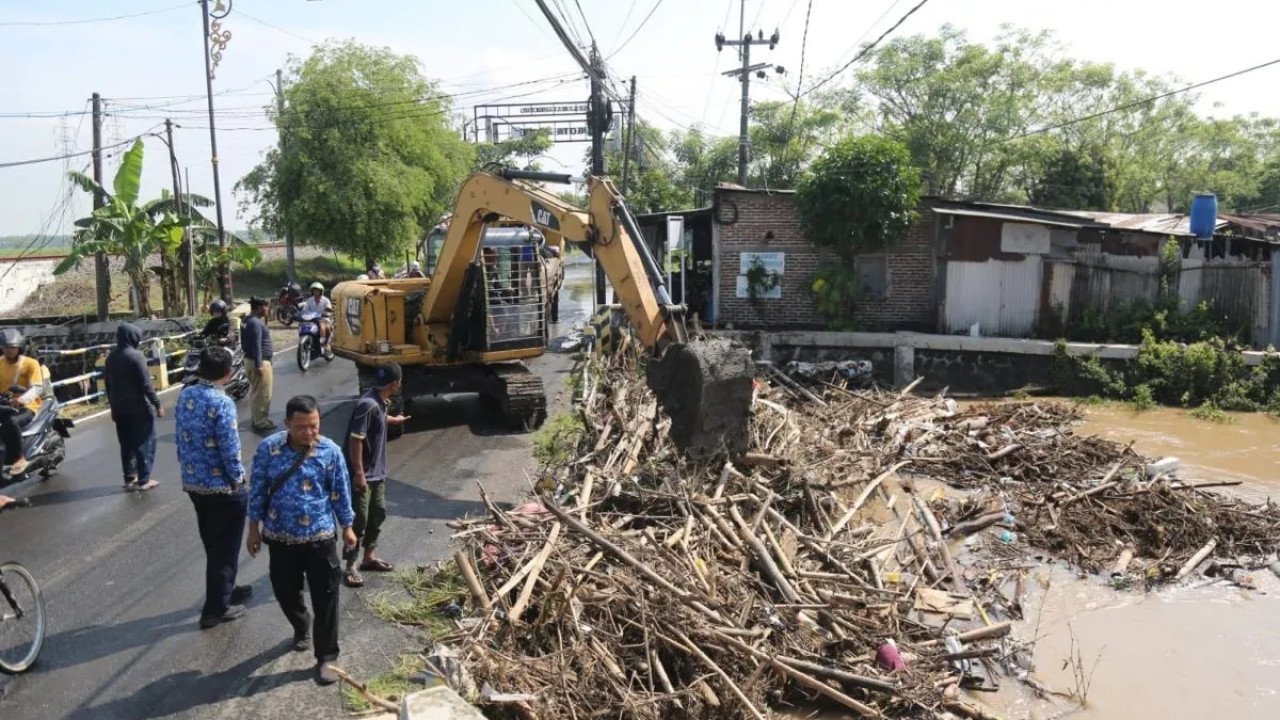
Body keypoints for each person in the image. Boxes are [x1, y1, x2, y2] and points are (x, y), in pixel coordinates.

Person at [246, 395, 356, 686]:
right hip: (281, 539)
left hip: (320, 538)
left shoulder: (330, 451)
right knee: (284, 591)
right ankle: (301, 623)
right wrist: (253, 529)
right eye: (301, 427)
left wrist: (347, 526)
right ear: (287, 425)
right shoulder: (268, 449)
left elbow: (341, 491)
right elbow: (257, 490)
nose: (309, 433)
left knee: (327, 597)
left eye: (314, 426)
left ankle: (327, 657)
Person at [176, 345, 252, 628]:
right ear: (227, 373)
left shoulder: (186, 395)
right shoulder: (222, 402)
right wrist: (238, 480)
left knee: (214, 544)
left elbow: (180, 440)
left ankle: (226, 587)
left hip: (194, 483)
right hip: (221, 487)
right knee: (225, 546)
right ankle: (215, 609)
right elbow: (230, 448)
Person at [342, 363, 409, 588]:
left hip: (377, 473)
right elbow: (355, 439)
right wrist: (359, 474)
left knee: (377, 514)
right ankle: (350, 566)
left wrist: (393, 420)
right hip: (364, 475)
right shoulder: (368, 405)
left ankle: (369, 557)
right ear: (395, 384)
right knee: (358, 519)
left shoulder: (379, 401)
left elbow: (378, 420)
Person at [104, 324, 165, 492]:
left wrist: (112, 407)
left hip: (119, 409)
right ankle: (144, 479)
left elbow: (109, 386)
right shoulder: (136, 356)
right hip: (137, 408)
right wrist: (157, 404)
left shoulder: (111, 358)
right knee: (145, 442)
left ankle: (129, 478)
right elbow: (146, 384)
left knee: (126, 444)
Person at [0, 329, 42, 476]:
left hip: (27, 405)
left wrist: (22, 399)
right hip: (4, 403)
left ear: (19, 347)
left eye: (12, 347)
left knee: (10, 422)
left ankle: (19, 458)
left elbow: (37, 388)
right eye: (6, 347)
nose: (9, 351)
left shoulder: (30, 363)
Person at [241, 297, 275, 433]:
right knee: (263, 393)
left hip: (249, 360)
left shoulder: (246, 320)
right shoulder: (255, 323)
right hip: (258, 362)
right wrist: (259, 364)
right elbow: (256, 345)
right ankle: (261, 422)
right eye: (266, 307)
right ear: (260, 307)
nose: (268, 310)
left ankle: (258, 418)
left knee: (256, 392)